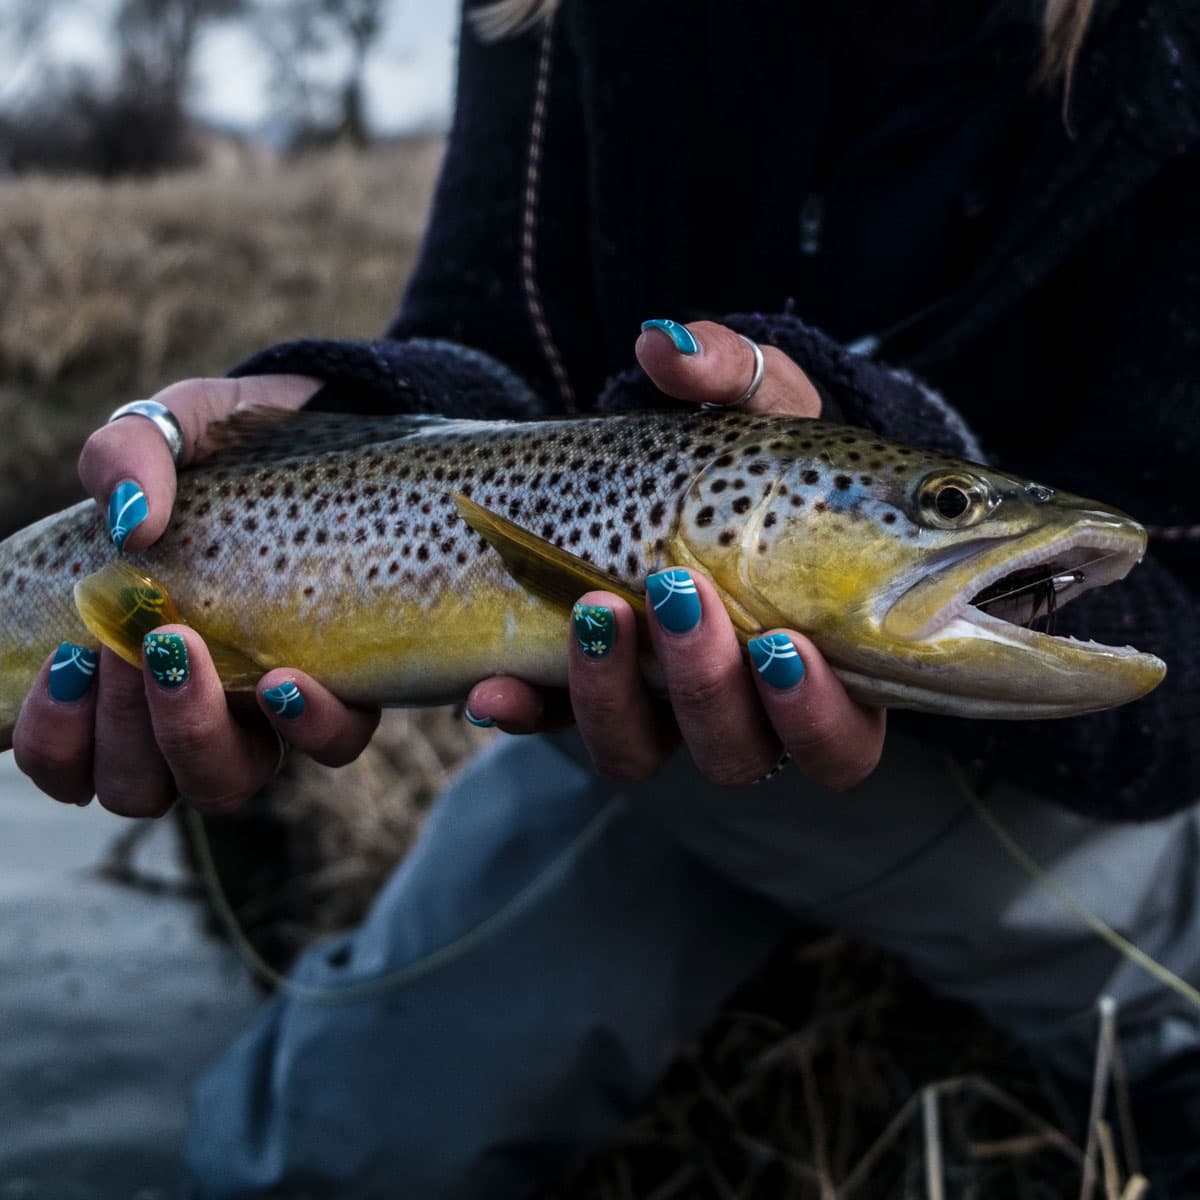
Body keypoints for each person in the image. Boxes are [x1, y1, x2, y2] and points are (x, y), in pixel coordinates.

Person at [11, 0, 1200, 1194]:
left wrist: (892, 437)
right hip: (639, 746)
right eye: (944, 508)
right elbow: (495, 358)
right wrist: (343, 405)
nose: (949, 519)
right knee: (329, 1152)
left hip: (1074, 800)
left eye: (937, 509)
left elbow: (1181, 657)